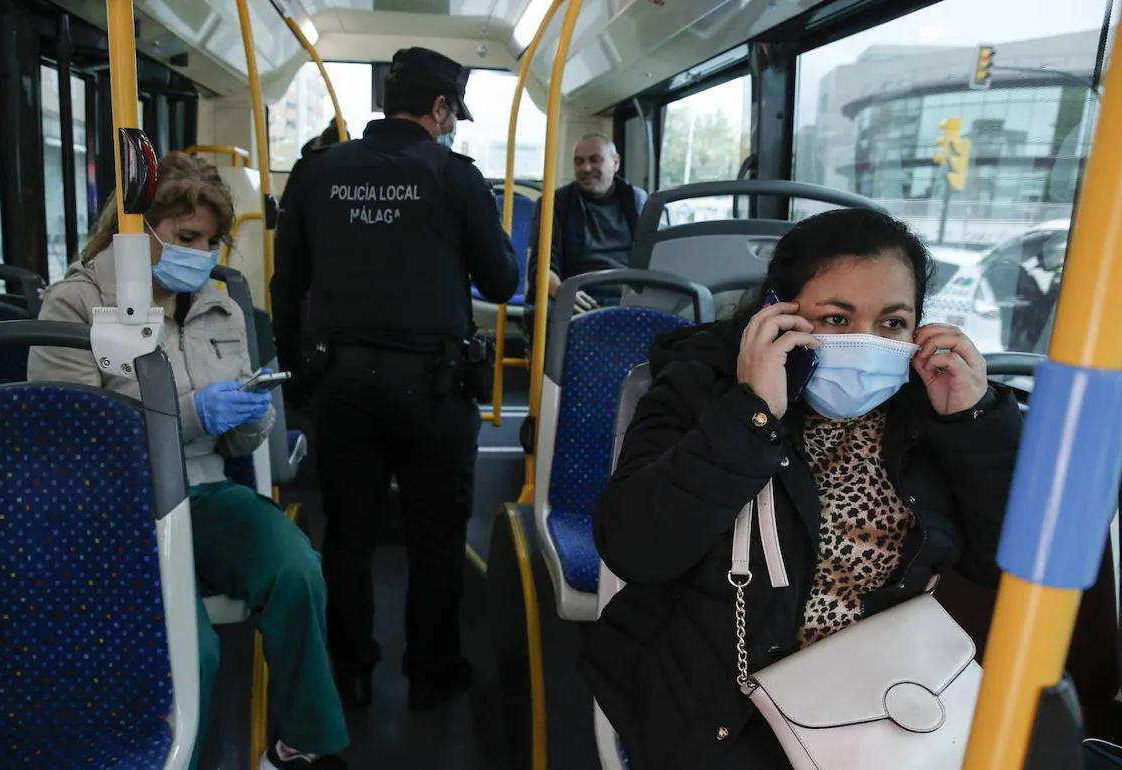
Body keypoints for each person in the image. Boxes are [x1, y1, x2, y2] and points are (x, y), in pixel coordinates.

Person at [580, 208, 1023, 770]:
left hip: (886, 698)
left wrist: (974, 423)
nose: (867, 343)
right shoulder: (701, 388)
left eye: (891, 324)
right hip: (723, 706)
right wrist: (752, 415)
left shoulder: (928, 410)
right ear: (777, 315)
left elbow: (1009, 564)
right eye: (836, 320)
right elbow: (635, 545)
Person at [27, 152, 349, 770]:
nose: (201, 255)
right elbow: (73, 443)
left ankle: (302, 740)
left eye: (211, 241)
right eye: (186, 239)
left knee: (296, 569)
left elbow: (242, 443)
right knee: (189, 650)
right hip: (115, 510)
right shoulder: (75, 305)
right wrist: (194, 412)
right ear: (138, 230)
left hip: (201, 492)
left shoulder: (219, 304)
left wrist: (252, 415)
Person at [271, 45, 519, 711]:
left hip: (341, 385)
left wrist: (296, 374)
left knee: (346, 533)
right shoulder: (455, 176)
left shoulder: (318, 172)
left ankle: (347, 671)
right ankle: (431, 672)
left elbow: (287, 283)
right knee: (435, 539)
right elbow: (502, 281)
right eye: (452, 115)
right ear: (439, 109)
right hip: (434, 388)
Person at [524, 133, 650, 316]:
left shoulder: (638, 201)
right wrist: (563, 293)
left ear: (616, 163)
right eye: (579, 162)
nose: (586, 168)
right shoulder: (556, 204)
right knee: (548, 314)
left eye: (595, 160)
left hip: (630, 295)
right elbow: (543, 265)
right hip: (579, 294)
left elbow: (655, 258)